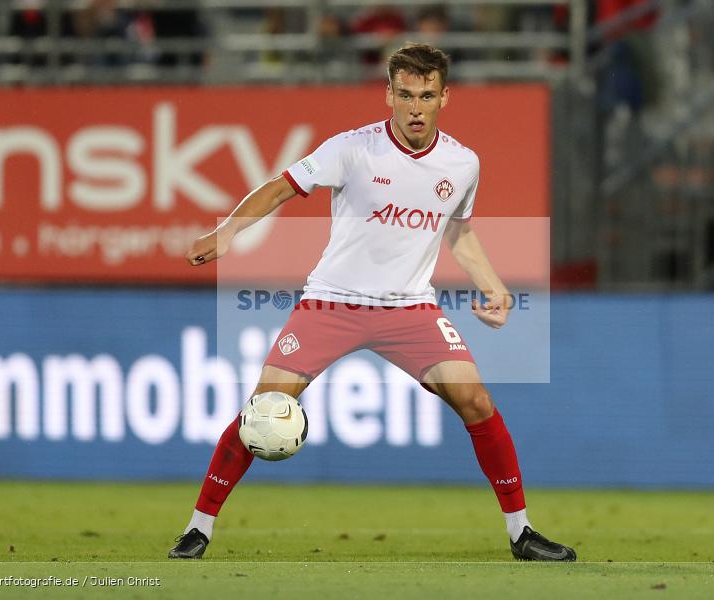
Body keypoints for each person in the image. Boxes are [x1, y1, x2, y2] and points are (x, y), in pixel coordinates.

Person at [169, 43, 576, 563]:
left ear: (444, 98)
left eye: (426, 95)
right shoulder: (352, 149)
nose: (414, 106)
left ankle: (522, 533)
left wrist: (492, 285)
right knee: (264, 408)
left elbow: (458, 232)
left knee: (476, 401)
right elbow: (279, 188)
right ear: (388, 94)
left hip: (410, 309)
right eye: (405, 94)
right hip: (331, 304)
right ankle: (198, 529)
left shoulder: (463, 163)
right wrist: (227, 232)